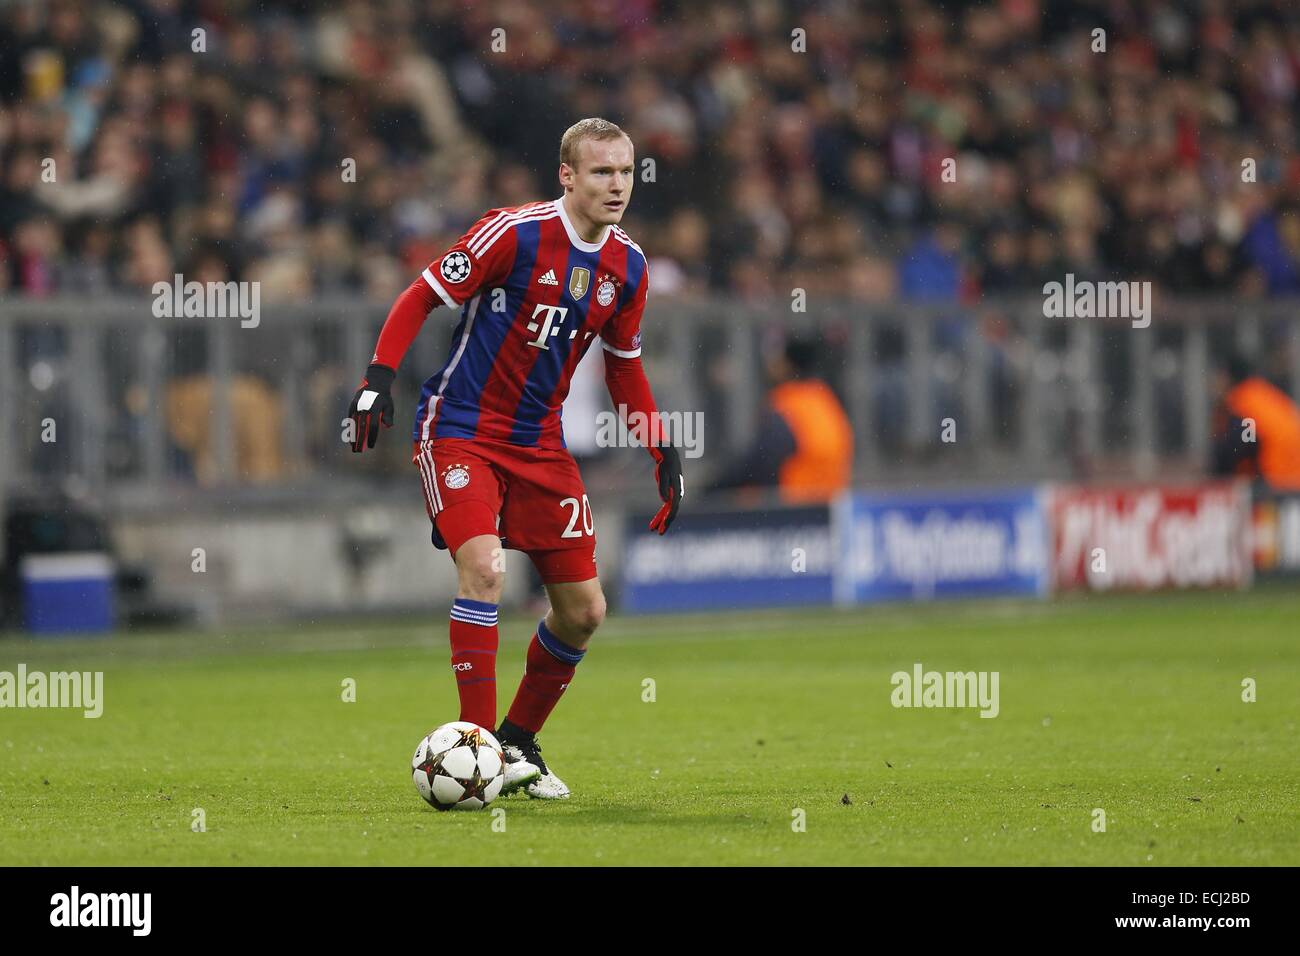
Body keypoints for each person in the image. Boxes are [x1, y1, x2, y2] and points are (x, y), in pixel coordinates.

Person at [346, 118, 684, 799]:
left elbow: (624, 368)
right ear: (568, 175)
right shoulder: (513, 233)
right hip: (461, 429)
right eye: (601, 172)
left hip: (540, 444)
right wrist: (376, 379)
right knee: (485, 568)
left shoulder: (629, 266)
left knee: (585, 611)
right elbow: (421, 296)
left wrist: (662, 445)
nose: (617, 185)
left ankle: (517, 740)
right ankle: (479, 753)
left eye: (624, 172)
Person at [710, 337, 853, 503]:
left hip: (794, 508)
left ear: (788, 364)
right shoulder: (824, 399)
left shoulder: (790, 403)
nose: (771, 366)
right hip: (829, 507)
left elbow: (760, 461)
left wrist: (714, 489)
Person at [1210, 353, 1300, 490]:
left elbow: (1237, 450)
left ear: (1228, 378)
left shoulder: (1243, 404)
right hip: (1293, 481)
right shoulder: (1263, 394)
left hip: (1277, 487)